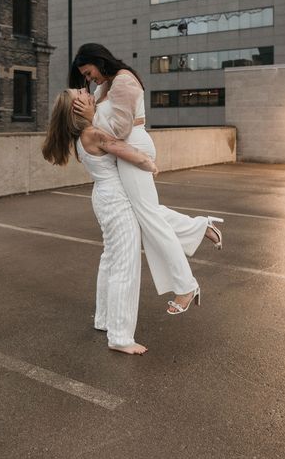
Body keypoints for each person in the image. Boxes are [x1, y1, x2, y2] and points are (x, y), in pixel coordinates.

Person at [69, 43, 224, 315]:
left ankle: (186, 285)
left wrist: (92, 116)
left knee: (149, 218)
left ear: (98, 61)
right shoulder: (104, 86)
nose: (88, 77)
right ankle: (201, 228)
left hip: (134, 145)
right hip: (124, 149)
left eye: (88, 71)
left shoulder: (124, 81)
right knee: (145, 213)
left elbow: (120, 127)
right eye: (84, 75)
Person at [42, 88, 158, 354]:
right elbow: (126, 150)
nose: (86, 90)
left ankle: (105, 320)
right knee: (125, 265)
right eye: (79, 93)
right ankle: (120, 336)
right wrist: (149, 163)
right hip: (115, 199)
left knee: (111, 260)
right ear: (77, 108)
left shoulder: (83, 134)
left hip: (104, 197)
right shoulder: (93, 133)